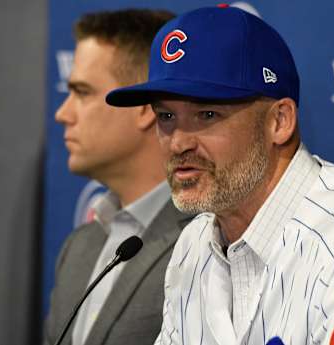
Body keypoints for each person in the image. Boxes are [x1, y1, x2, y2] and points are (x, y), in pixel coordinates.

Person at [106, 5, 334, 345]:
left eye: (207, 114)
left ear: (280, 121)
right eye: (166, 117)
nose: (178, 142)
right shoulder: (193, 246)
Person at [43, 9, 191, 345]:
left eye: (82, 92)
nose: (62, 113)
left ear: (141, 107)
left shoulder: (205, 243)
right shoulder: (78, 247)